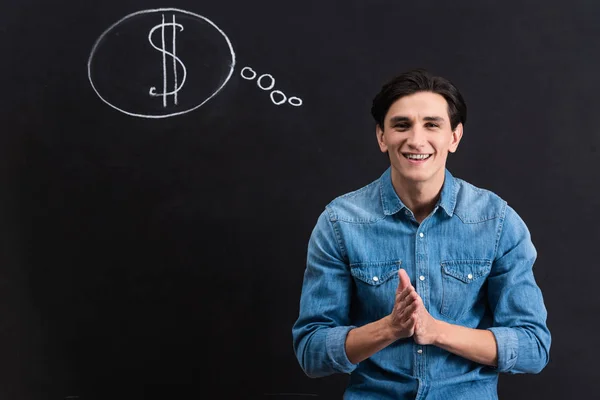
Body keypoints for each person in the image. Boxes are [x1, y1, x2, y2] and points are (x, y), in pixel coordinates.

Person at [291, 69, 551, 399]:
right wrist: (389, 328)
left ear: (454, 137)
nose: (416, 140)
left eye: (432, 124)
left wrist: (436, 331)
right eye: (402, 125)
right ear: (381, 136)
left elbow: (533, 347)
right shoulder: (340, 222)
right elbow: (311, 352)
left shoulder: (497, 221)